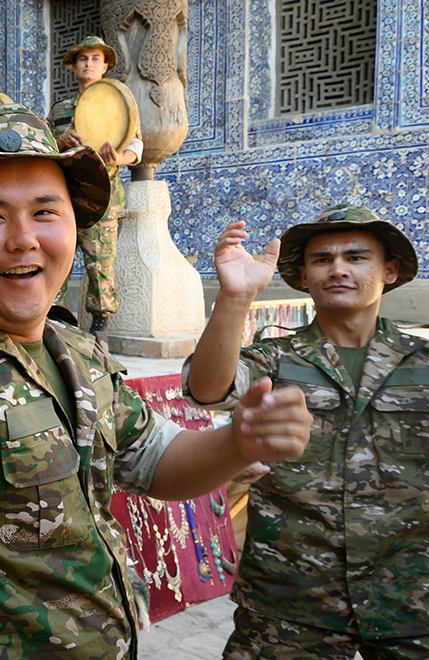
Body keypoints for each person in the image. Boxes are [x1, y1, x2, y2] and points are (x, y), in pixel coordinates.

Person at [0, 104, 310, 659]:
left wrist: (235, 443)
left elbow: (154, 459)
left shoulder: (77, 351)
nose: (23, 239)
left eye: (45, 212)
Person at [183, 206, 428, 659]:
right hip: (290, 598)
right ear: (304, 274)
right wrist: (235, 298)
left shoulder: (423, 362)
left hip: (411, 596)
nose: (338, 269)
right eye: (322, 259)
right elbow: (207, 389)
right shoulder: (276, 359)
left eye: (356, 258)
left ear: (389, 270)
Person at [49, 36, 143, 334]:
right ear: (74, 66)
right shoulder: (60, 109)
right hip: (63, 203)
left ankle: (99, 336)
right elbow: (41, 149)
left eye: (94, 59)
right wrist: (58, 142)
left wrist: (119, 158)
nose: (88, 64)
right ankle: (54, 331)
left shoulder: (119, 103)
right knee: (55, 266)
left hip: (103, 202)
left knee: (100, 269)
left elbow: (137, 146)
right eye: (83, 59)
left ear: (105, 66)